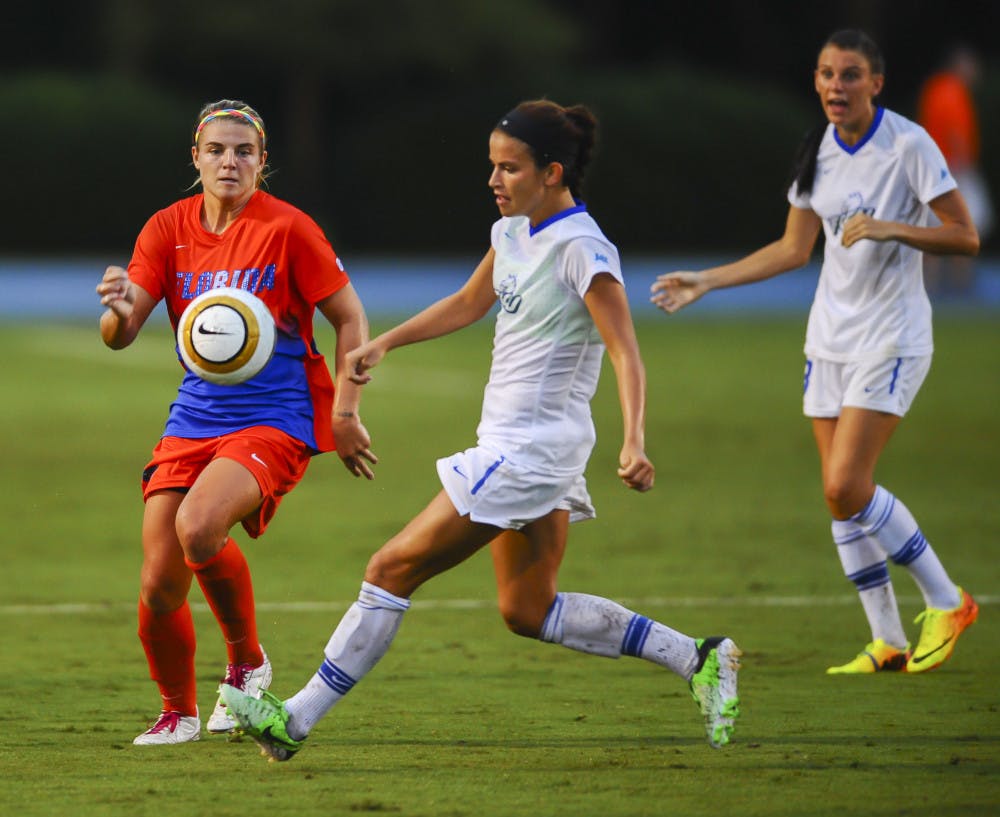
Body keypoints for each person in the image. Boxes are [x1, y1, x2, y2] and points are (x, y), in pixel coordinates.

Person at [221, 99, 741, 762]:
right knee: (529, 608)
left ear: (553, 172)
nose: (494, 181)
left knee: (389, 568)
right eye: (492, 166)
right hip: (526, 448)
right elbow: (470, 302)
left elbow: (625, 350)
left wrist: (633, 438)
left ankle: (293, 719)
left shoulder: (582, 248)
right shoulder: (512, 233)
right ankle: (699, 657)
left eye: (509, 168)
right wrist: (386, 343)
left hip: (526, 451)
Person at [651, 30, 979, 675]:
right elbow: (792, 249)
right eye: (827, 74)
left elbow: (965, 237)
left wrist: (893, 228)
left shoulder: (908, 145)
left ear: (876, 83)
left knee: (846, 483)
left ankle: (949, 599)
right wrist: (708, 280)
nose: (836, 86)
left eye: (851, 75)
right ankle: (886, 641)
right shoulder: (819, 150)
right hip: (828, 338)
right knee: (839, 499)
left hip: (891, 336)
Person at [96, 99, 378, 745]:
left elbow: (350, 317)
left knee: (199, 527)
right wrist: (114, 308)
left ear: (262, 162)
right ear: (195, 158)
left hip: (276, 417)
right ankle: (178, 712)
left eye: (244, 151)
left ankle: (247, 663)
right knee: (159, 581)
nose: (230, 160)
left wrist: (344, 411)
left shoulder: (288, 229)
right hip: (195, 416)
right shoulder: (166, 229)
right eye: (217, 150)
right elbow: (121, 333)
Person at [917, 44, 994, 295]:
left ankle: (931, 284)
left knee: (936, 227)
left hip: (933, 168)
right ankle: (962, 287)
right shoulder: (953, 92)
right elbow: (956, 133)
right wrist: (964, 167)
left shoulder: (934, 88)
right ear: (960, 65)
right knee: (966, 225)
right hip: (954, 169)